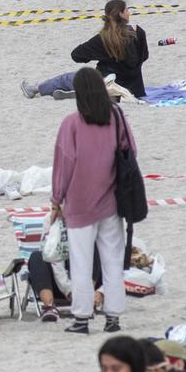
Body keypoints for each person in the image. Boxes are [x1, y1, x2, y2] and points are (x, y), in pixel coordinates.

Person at [45, 68, 129, 336]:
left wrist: (56, 200)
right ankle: (113, 317)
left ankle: (82, 317)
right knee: (112, 261)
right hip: (112, 199)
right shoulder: (116, 117)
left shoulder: (72, 123)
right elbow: (130, 152)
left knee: (81, 262)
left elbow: (64, 165)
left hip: (80, 203)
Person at [23, 0, 151, 100]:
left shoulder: (103, 38)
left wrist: (98, 55)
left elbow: (76, 55)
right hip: (135, 88)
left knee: (69, 78)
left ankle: (35, 89)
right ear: (121, 14)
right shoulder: (138, 34)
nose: (129, 12)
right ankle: (84, 93)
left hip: (106, 83)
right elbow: (144, 57)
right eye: (127, 10)